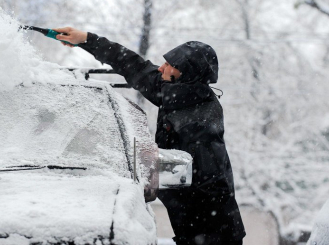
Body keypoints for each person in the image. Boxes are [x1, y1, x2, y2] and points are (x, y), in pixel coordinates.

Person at [54, 27, 246, 245]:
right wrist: (86, 40)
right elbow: (133, 65)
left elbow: (207, 182)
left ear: (186, 74)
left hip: (212, 233)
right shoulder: (175, 91)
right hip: (192, 229)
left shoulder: (200, 122)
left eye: (169, 65)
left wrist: (148, 174)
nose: (161, 68)